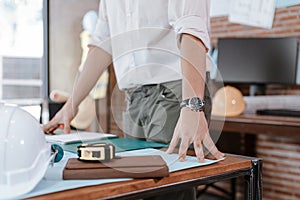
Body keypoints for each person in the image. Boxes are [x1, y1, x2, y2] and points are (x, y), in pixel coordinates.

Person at [44, 1, 224, 198]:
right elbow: (103, 43)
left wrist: (192, 105)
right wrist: (71, 105)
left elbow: (191, 29)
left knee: (167, 192)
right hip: (133, 97)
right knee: (136, 188)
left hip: (177, 93)